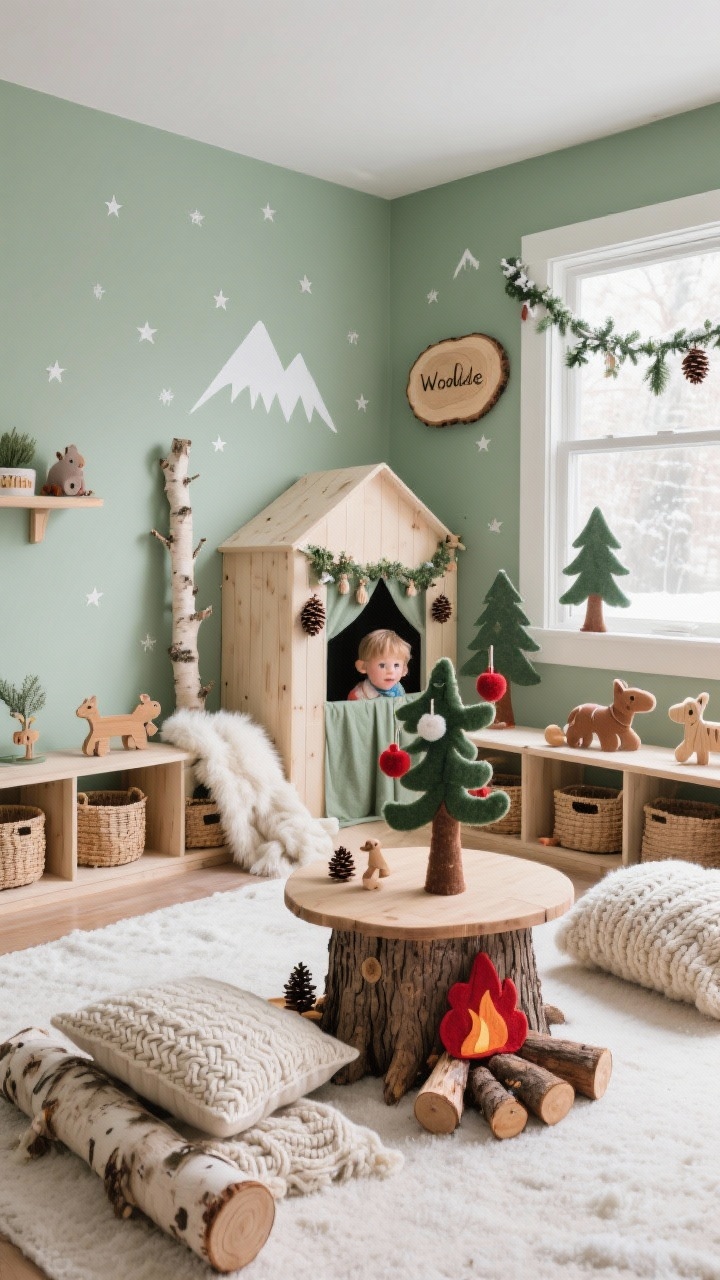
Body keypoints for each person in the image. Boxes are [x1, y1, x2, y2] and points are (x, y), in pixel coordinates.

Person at [347, 629, 410, 700]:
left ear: (404, 668)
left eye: (396, 665)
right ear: (363, 666)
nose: (391, 671)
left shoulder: (398, 688)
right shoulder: (358, 696)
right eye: (382, 665)